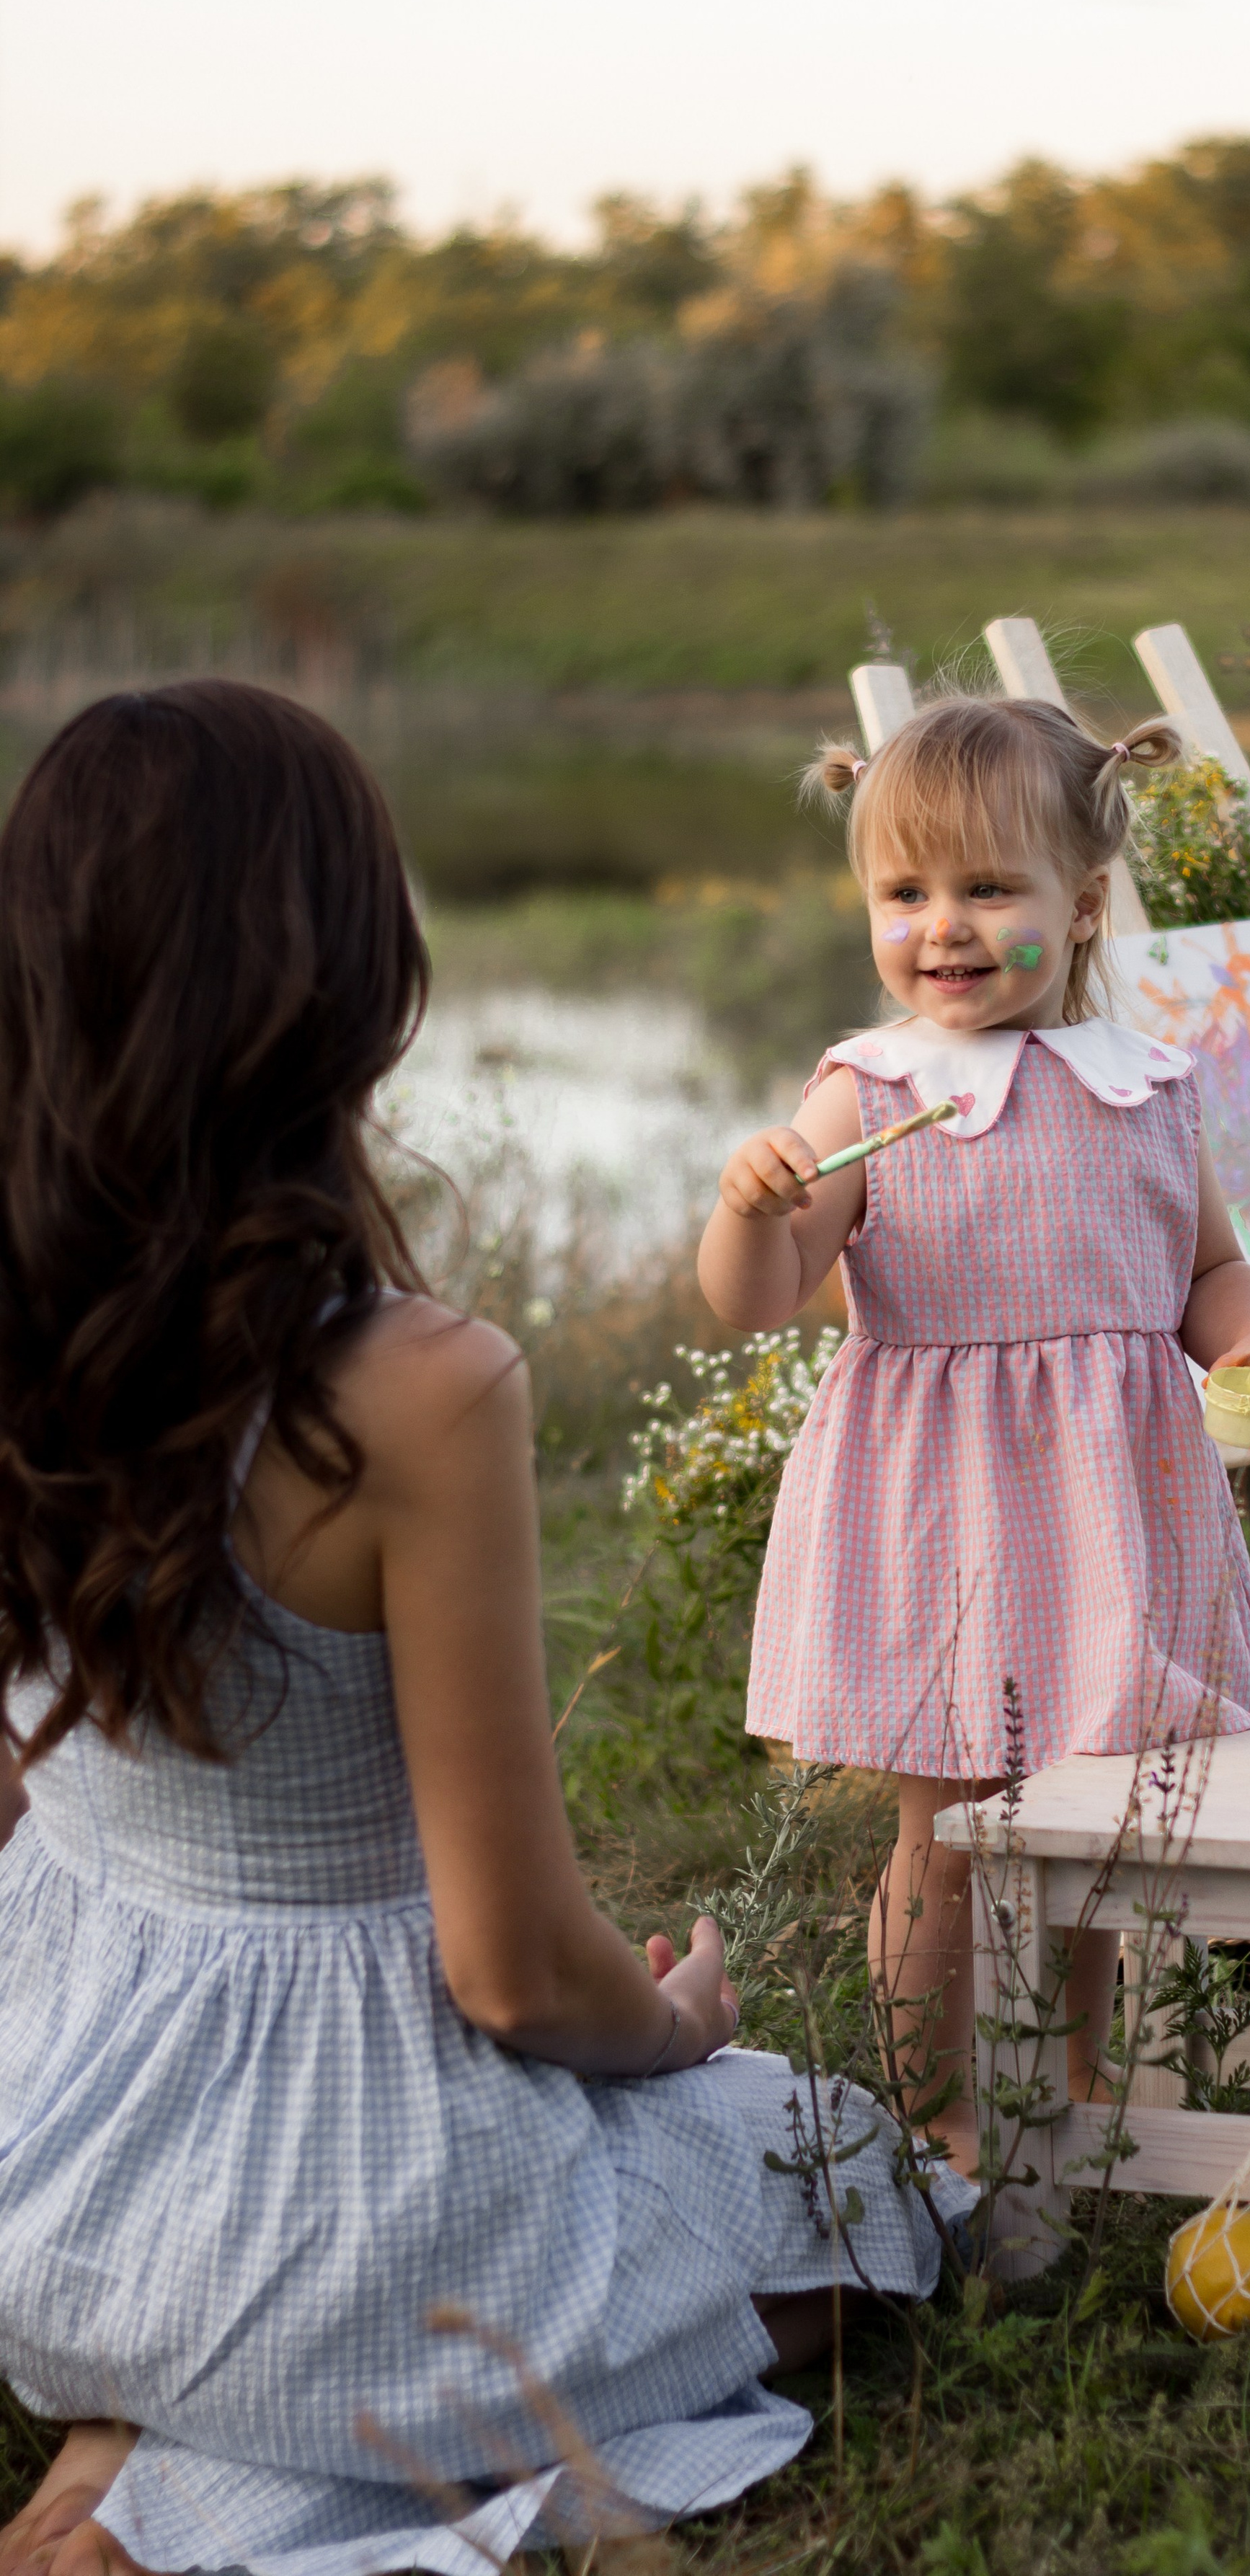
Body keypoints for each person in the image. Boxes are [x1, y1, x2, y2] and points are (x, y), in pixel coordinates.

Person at [0, 683, 968, 2576]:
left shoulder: (25, 1320)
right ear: (353, 982)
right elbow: (517, 1976)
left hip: (47, 2176)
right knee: (863, 2183)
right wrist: (673, 2025)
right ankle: (196, 2490)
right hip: (339, 2215)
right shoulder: (416, 1389)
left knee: (267, 2265)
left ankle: (132, 2407)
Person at [700, 696, 1250, 2174]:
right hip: (939, 1516)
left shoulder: (1146, 1091)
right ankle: (941, 2117)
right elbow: (763, 1296)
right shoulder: (872, 1092)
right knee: (944, 1832)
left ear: (1084, 904)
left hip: (1112, 1510)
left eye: (987, 890)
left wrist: (1247, 1339)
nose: (943, 930)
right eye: (903, 894)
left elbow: (1202, 1274)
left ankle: (1085, 2082)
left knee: (1097, 1824)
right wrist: (745, 1212)